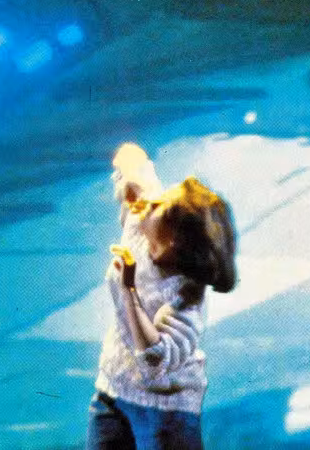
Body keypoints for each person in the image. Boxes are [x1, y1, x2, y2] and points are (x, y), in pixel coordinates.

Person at [87, 143, 239, 450]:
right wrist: (130, 167)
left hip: (167, 411)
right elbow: (137, 169)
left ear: (171, 242)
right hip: (115, 391)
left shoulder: (185, 304)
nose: (151, 202)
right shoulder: (144, 228)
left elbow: (154, 359)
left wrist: (129, 291)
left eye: (158, 206)